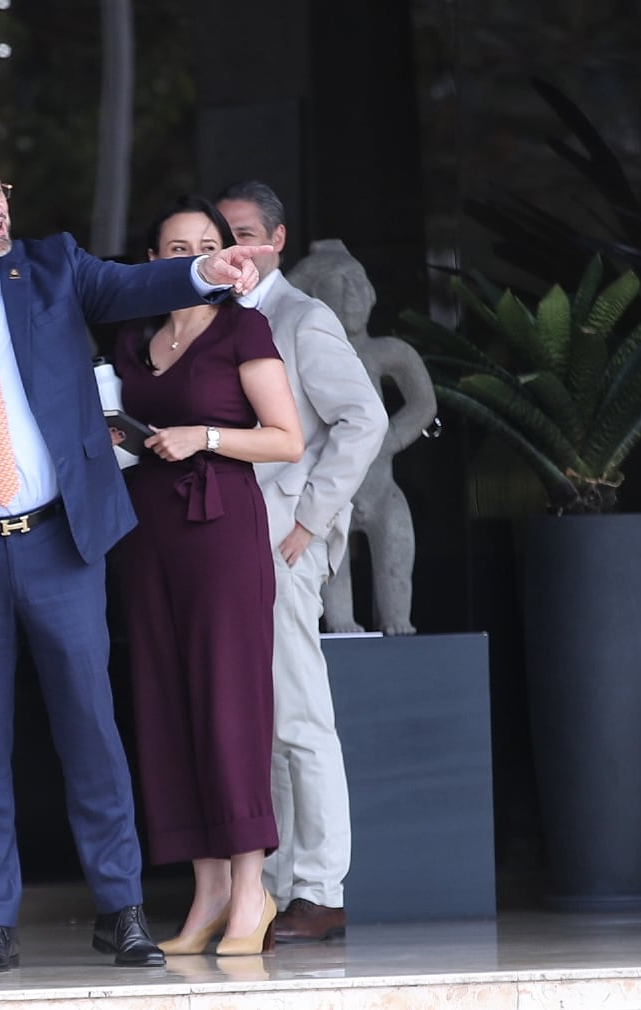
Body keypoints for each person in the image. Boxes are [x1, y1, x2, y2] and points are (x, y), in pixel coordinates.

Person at [0, 140, 271, 973]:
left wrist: (205, 272)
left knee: (89, 725)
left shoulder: (50, 266)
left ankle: (120, 908)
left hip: (57, 539)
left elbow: (133, 284)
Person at [111, 194, 304, 957]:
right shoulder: (133, 337)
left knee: (229, 705)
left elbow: (286, 440)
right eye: (170, 246)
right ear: (152, 262)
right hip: (146, 533)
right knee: (164, 704)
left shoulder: (242, 327)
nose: (187, 255)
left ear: (229, 256)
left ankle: (251, 891)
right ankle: (208, 892)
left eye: (203, 242)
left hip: (220, 527)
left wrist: (205, 436)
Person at [215, 182, 388, 943]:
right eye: (224, 235)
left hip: (283, 543)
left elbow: (365, 417)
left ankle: (319, 889)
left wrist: (311, 519)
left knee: (299, 718)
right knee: (265, 721)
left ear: (277, 240)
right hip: (231, 543)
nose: (235, 248)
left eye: (247, 233)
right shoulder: (222, 316)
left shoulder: (300, 317)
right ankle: (281, 887)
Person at [289, 238, 435, 637]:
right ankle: (342, 624)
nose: (353, 294)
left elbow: (423, 403)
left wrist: (385, 441)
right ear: (316, 297)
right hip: (331, 496)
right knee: (338, 605)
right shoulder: (308, 353)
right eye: (340, 284)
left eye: (358, 282)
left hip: (383, 488)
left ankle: (396, 620)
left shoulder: (388, 351)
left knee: (397, 557)